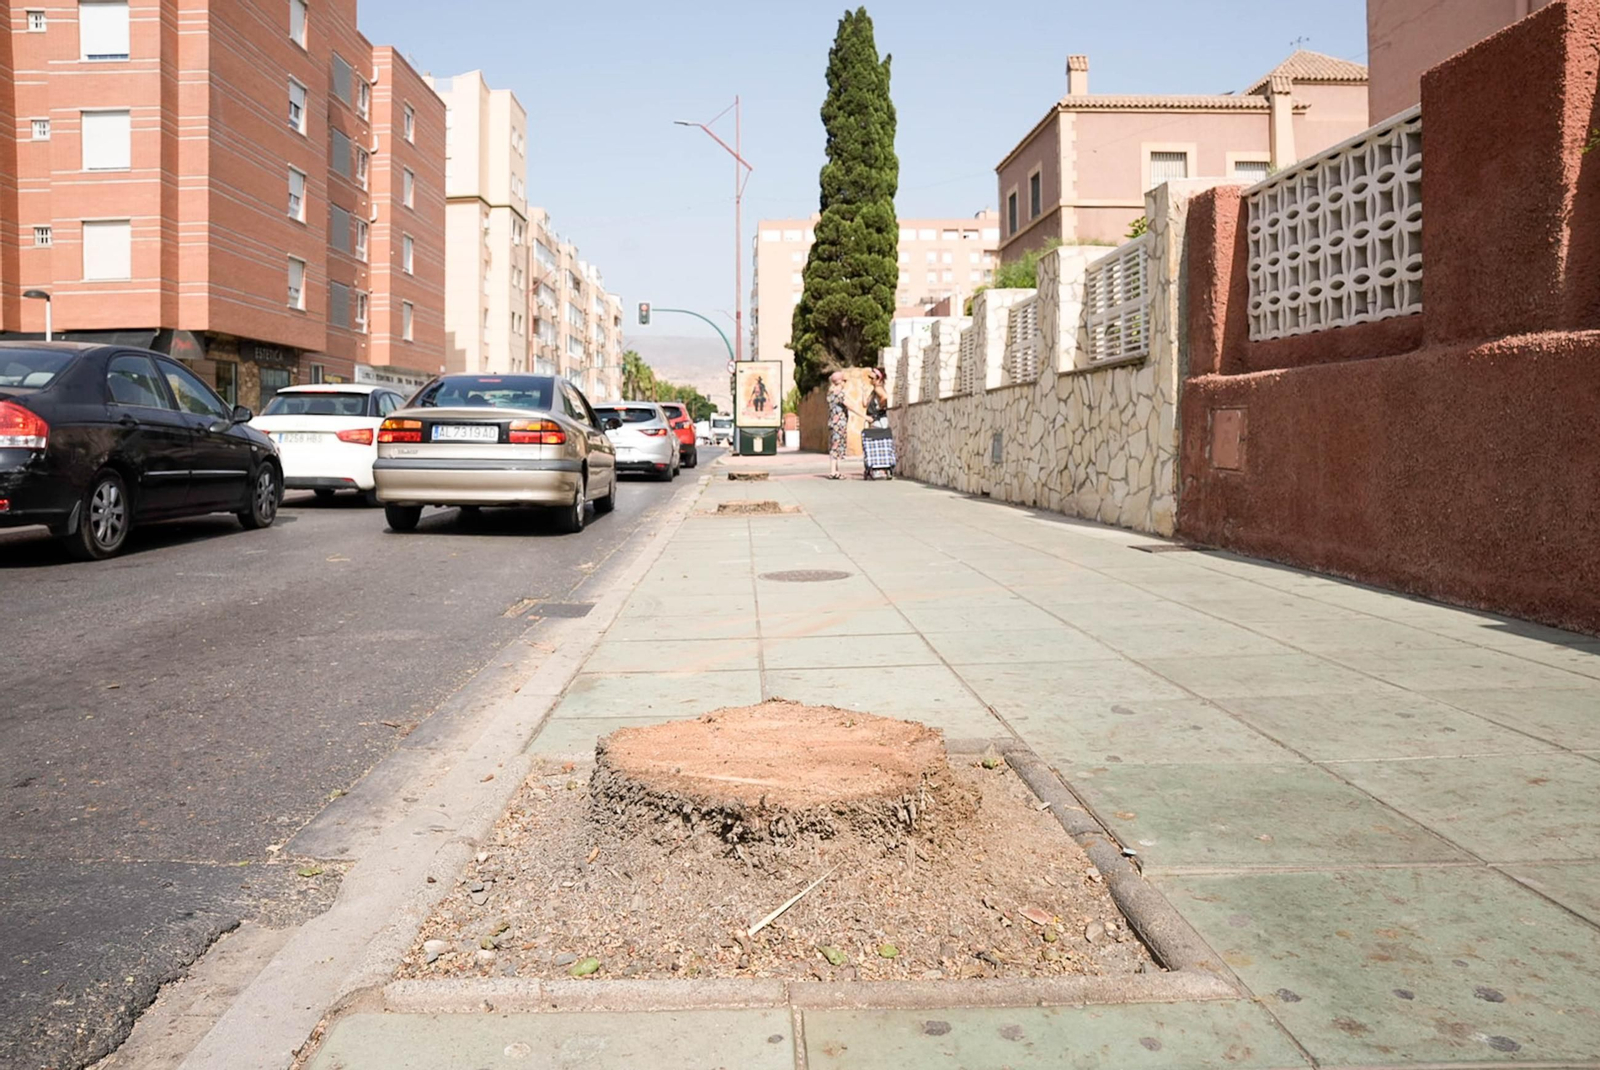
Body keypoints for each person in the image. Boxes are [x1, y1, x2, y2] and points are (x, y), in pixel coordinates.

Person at [826, 370, 860, 480]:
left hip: (832, 422)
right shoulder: (839, 394)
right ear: (840, 382)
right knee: (835, 447)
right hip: (839, 423)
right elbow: (850, 406)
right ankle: (833, 472)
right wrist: (864, 416)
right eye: (844, 381)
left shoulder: (830, 394)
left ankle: (835, 471)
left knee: (834, 445)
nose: (845, 383)